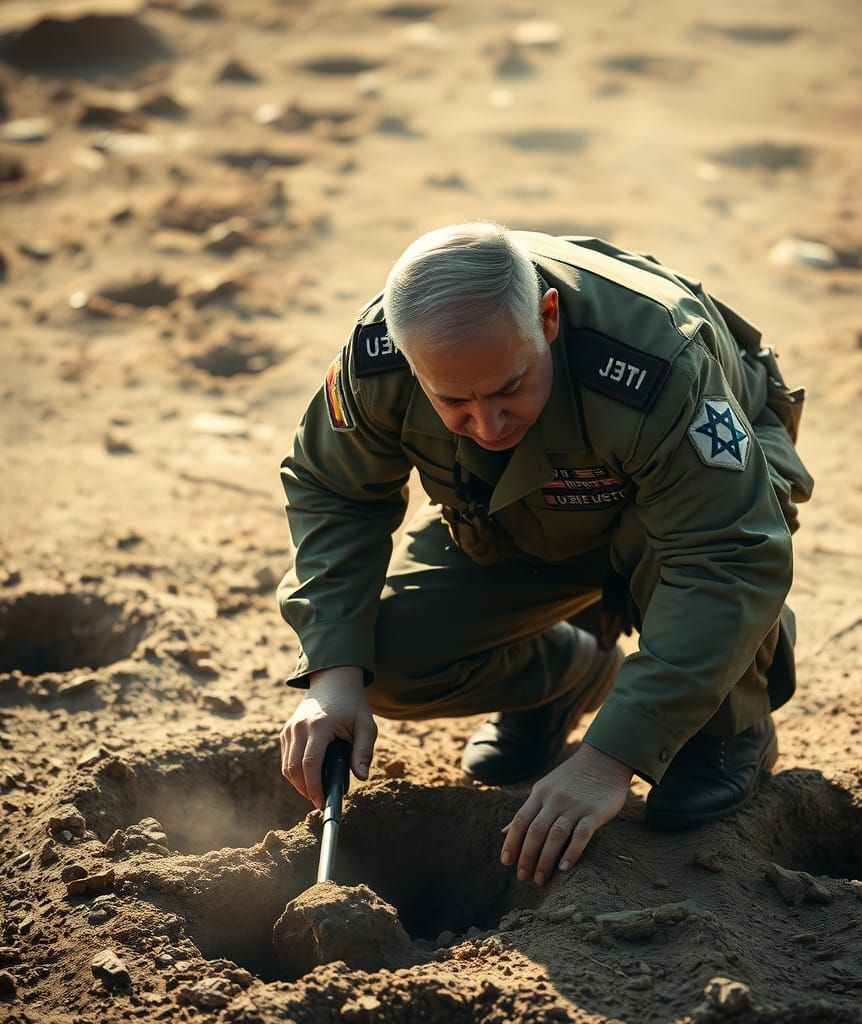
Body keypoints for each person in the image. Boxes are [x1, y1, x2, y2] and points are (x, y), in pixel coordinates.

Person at [277, 222, 813, 887]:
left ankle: (731, 718)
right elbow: (335, 491)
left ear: (548, 318)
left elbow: (727, 553)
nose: (489, 425)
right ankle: (569, 674)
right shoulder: (380, 354)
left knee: (685, 562)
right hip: (517, 516)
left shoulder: (652, 360)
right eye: (454, 402)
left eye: (509, 387)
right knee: (376, 657)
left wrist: (608, 759)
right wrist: (331, 676)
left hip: (687, 514)